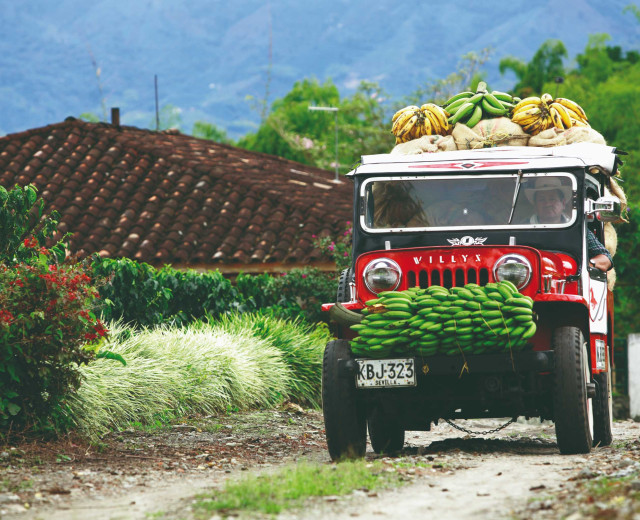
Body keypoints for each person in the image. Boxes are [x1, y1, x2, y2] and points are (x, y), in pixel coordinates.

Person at [524, 177, 613, 272]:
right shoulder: (523, 228)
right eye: (542, 200)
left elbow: (606, 258)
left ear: (563, 203)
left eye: (552, 199)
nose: (547, 204)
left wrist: (586, 265)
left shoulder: (577, 229)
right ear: (535, 205)